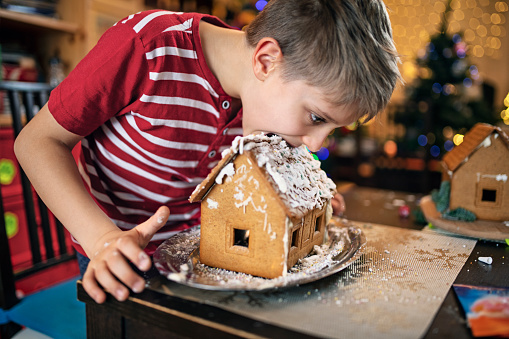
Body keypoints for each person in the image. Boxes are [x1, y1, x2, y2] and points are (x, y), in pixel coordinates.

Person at [14, 0, 401, 304]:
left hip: (214, 262)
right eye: (316, 117)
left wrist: (295, 192)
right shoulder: (146, 47)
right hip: (118, 260)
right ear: (266, 60)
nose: (317, 144)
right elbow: (36, 142)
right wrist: (101, 240)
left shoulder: (263, 107)